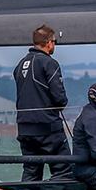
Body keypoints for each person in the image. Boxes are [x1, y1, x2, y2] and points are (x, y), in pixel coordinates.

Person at [13, 24, 71, 181]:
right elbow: (60, 99)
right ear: (49, 42)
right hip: (48, 128)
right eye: (54, 42)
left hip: (24, 129)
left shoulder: (20, 64)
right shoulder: (49, 63)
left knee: (31, 173)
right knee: (64, 172)